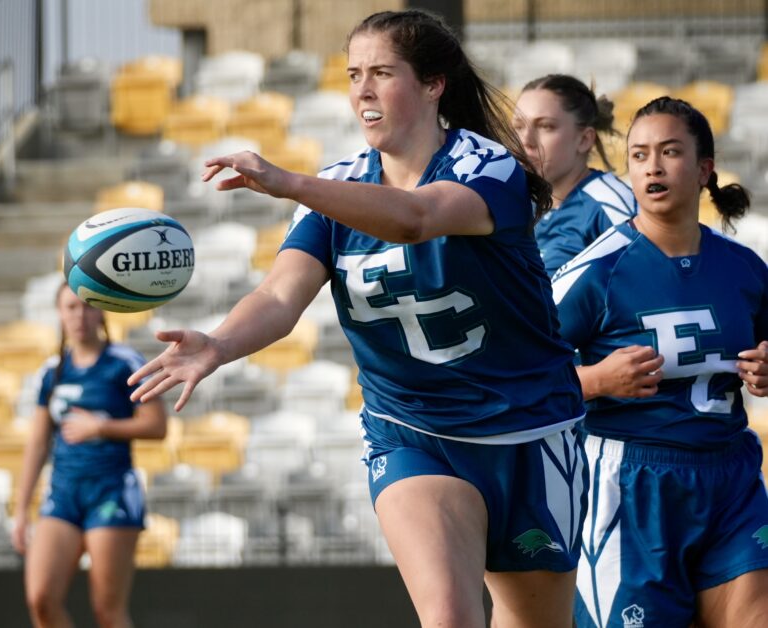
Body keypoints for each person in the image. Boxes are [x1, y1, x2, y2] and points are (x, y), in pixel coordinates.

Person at [129, 10, 586, 627]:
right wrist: (218, 343)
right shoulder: (333, 187)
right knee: (449, 618)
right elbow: (279, 297)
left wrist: (290, 182)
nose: (362, 90)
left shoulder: (490, 167)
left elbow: (414, 219)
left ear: (433, 85)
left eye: (381, 73)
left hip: (528, 431)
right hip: (412, 431)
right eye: (352, 75)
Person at [551, 97, 768, 627]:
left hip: (731, 479)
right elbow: (511, 380)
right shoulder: (596, 271)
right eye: (640, 154)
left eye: (670, 152)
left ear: (704, 169)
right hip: (629, 487)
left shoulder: (744, 267)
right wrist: (598, 379)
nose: (653, 166)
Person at [11, 283, 167, 628]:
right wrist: (21, 510)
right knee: (41, 600)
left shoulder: (123, 362)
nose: (79, 316)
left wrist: (102, 427)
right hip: (63, 494)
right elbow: (37, 443)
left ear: (101, 311)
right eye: (70, 308)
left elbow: (157, 425)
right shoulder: (52, 372)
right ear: (59, 313)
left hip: (110, 491)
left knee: (107, 610)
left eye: (87, 307)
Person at [512, 74, 638, 277]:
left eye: (545, 126)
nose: (526, 140)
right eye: (518, 126)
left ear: (584, 139)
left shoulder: (611, 209)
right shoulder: (516, 204)